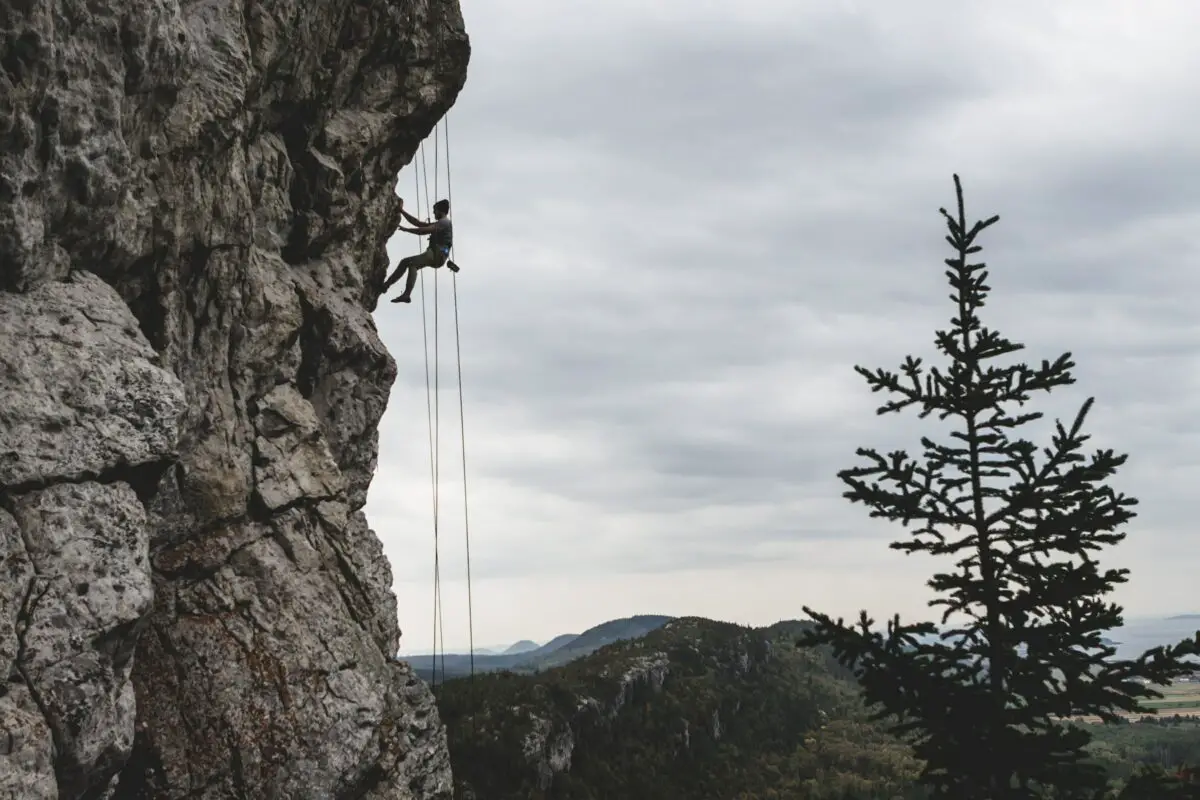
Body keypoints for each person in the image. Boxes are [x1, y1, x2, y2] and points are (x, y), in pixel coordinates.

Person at [383, 198, 458, 304]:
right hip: (436, 254)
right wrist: (402, 211)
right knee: (405, 262)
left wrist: (406, 230)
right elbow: (418, 223)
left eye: (435, 210)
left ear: (440, 211)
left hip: (437, 254)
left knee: (412, 264)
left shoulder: (444, 223)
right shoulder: (441, 223)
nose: (433, 213)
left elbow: (423, 231)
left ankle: (406, 294)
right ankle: (386, 286)